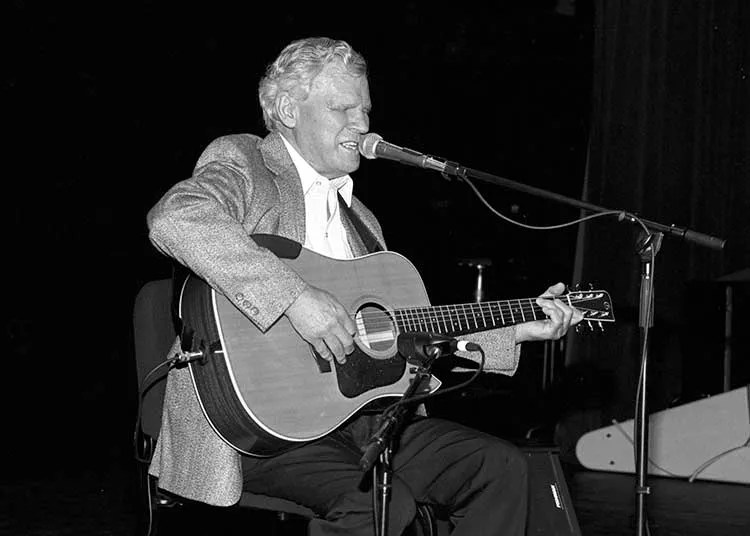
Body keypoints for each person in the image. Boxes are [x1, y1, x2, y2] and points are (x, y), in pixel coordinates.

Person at [147, 36, 582, 536]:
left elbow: (398, 334)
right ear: (288, 109)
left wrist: (519, 330)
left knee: (499, 467)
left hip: (363, 421)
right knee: (381, 506)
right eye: (343, 108)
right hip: (259, 429)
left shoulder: (365, 223)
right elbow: (177, 218)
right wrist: (295, 297)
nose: (362, 124)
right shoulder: (247, 163)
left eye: (365, 109)